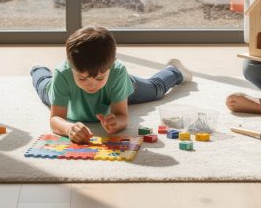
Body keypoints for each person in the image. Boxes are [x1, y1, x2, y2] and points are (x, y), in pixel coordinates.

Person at [30, 25, 193, 142]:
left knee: (155, 90)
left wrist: (117, 123)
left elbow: (122, 115)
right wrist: (68, 128)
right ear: (70, 65)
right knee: (44, 88)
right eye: (82, 78)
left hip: (117, 86)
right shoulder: (63, 74)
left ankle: (174, 70)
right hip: (63, 87)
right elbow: (56, 118)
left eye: (99, 78)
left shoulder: (117, 72)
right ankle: (38, 69)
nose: (91, 85)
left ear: (111, 65)